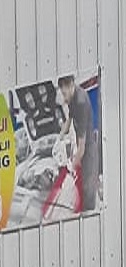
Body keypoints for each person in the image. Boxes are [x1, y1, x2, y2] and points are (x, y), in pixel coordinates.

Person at [58, 75, 99, 211]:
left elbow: (81, 149)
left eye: (64, 94)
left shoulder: (81, 103)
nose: (64, 98)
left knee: (87, 196)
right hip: (82, 150)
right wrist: (59, 138)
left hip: (88, 153)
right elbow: (69, 120)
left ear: (71, 85)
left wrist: (70, 168)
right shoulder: (72, 97)